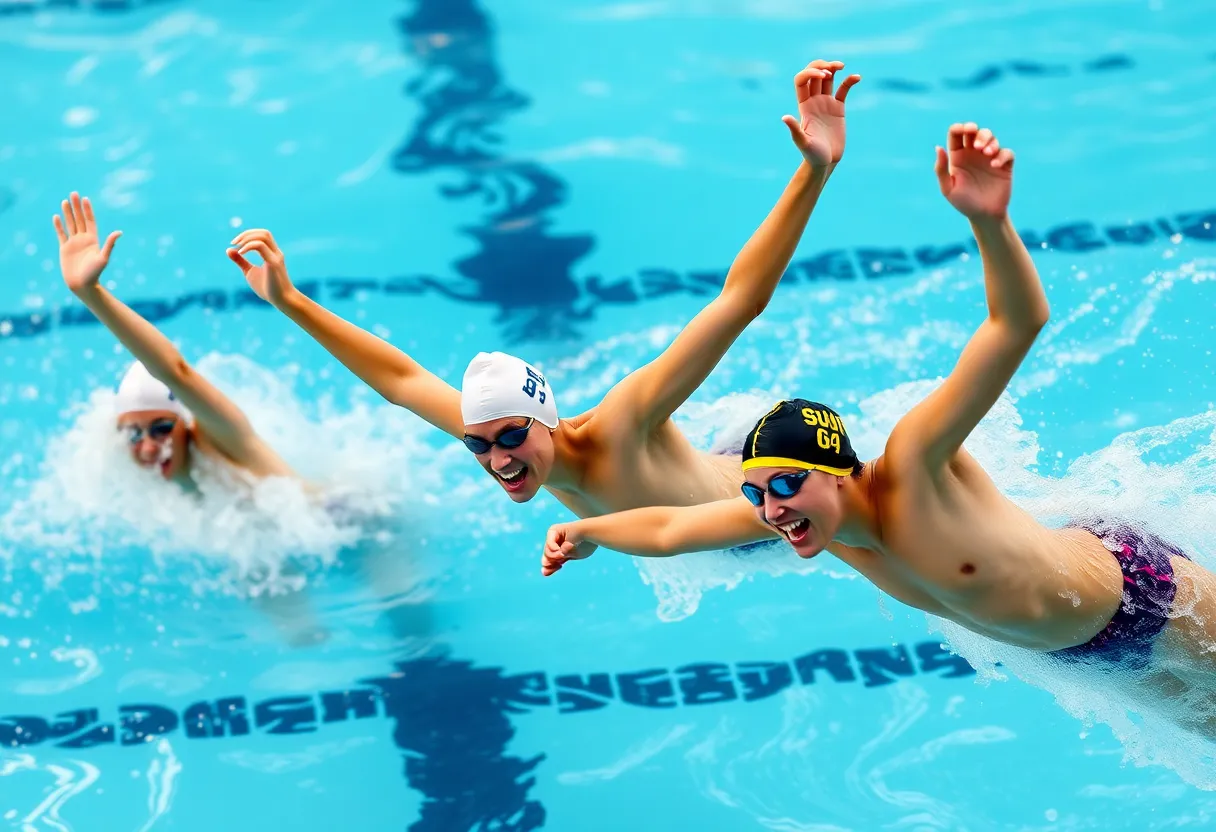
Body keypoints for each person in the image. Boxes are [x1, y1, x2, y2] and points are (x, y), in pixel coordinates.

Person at [540, 123, 1216, 736]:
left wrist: (990, 223)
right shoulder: (818, 525)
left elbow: (1016, 324)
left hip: (1144, 596)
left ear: (835, 469)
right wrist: (587, 533)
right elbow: (669, 529)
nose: (771, 508)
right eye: (756, 496)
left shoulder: (916, 464)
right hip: (1090, 652)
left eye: (784, 484)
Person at [227, 60, 862, 549]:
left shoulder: (625, 423)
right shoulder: (498, 434)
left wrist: (814, 171)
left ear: (546, 421)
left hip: (783, 499)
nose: (498, 460)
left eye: (509, 438)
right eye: (478, 446)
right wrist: (290, 302)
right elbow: (400, 381)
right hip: (727, 512)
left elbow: (740, 302)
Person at [52, 192, 294, 486]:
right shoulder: (154, 491)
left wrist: (90, 294)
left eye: (162, 428)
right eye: (134, 434)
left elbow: (176, 373)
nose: (149, 448)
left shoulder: (224, 441)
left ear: (187, 422)